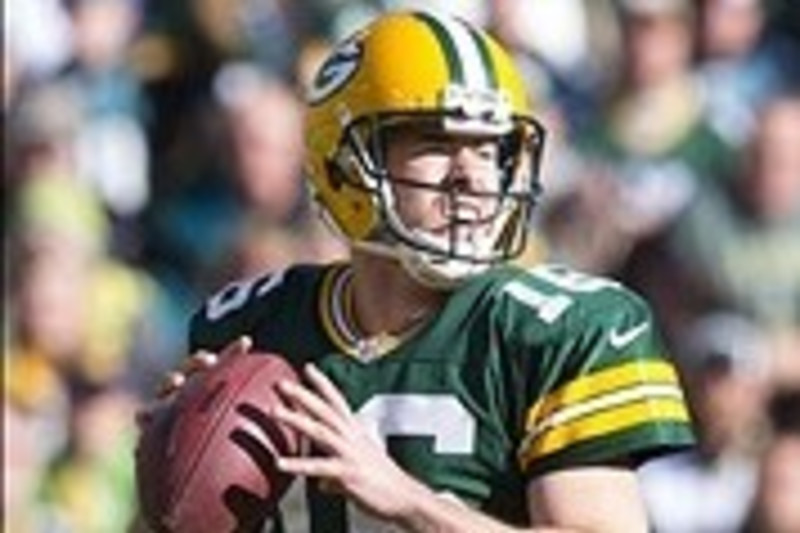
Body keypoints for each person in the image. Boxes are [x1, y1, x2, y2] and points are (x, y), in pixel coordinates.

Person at [143, 10, 694, 532]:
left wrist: (407, 500)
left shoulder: (561, 330)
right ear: (347, 167)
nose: (473, 177)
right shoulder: (255, 324)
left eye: (488, 150)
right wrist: (169, 480)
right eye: (438, 145)